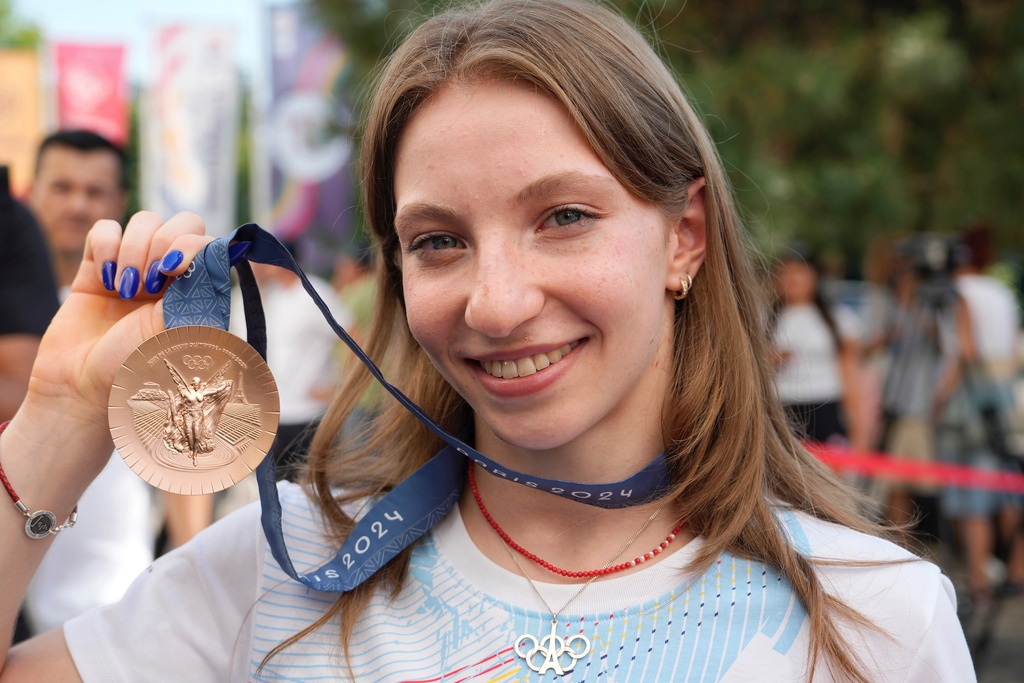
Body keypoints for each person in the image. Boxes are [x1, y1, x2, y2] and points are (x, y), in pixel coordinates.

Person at [1, 2, 971, 681]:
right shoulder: (279, 566)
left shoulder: (875, 618)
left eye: (562, 216)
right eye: (439, 240)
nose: (497, 304)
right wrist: (61, 414)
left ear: (684, 236)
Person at [940, 223, 1024, 614]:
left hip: (967, 399)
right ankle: (1014, 570)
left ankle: (978, 580)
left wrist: (937, 400)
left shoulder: (958, 293)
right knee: (1005, 484)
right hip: (1002, 392)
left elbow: (963, 351)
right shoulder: (1002, 291)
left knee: (969, 493)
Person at [229, 244, 353, 482]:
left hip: (310, 417)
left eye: (259, 259)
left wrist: (339, 388)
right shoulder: (272, 297)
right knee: (282, 499)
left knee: (315, 495)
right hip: (273, 417)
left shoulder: (315, 292)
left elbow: (356, 341)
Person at [771, 244, 868, 452]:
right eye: (785, 271)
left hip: (825, 406)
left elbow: (850, 371)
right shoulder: (763, 318)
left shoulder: (838, 319)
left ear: (814, 276)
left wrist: (857, 422)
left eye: (799, 271)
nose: (792, 278)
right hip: (781, 408)